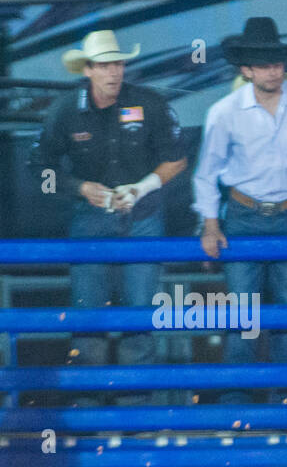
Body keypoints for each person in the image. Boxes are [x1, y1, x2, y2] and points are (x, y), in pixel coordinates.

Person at [29, 29, 187, 381]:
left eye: (117, 63)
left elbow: (177, 159)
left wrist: (140, 188)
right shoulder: (65, 111)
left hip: (142, 216)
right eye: (104, 65)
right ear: (88, 70)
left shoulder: (149, 103)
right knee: (88, 320)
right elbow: (40, 170)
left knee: (140, 316)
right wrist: (79, 187)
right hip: (90, 219)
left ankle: (136, 418)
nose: (113, 72)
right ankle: (89, 416)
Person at [192, 17, 287, 404]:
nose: (274, 70)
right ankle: (236, 405)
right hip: (242, 217)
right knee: (242, 316)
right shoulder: (225, 111)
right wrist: (210, 226)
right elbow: (206, 173)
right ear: (247, 69)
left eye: (278, 62)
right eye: (265, 63)